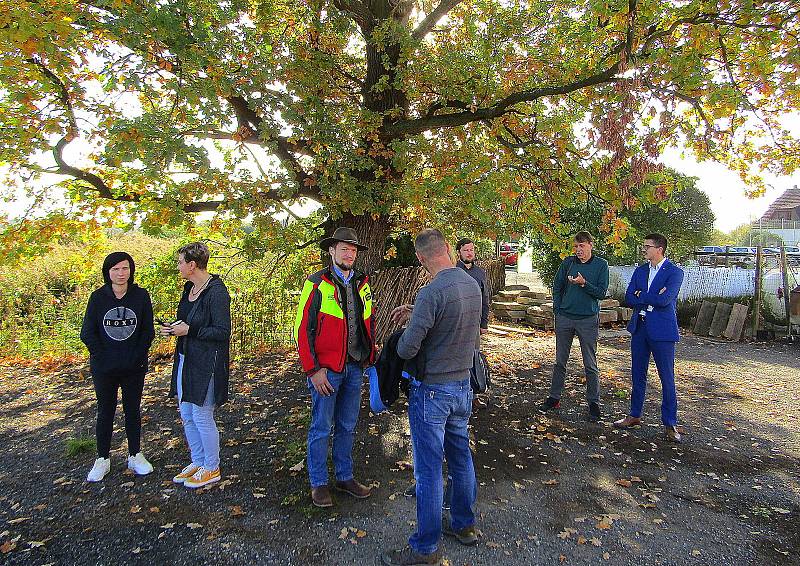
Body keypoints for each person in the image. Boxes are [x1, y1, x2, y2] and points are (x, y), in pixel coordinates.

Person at [383, 229, 481, 566]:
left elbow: (410, 346)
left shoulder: (430, 292)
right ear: (450, 250)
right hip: (462, 387)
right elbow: (457, 324)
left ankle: (425, 548)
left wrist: (398, 338)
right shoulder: (471, 284)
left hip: (433, 392)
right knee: (461, 458)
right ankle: (465, 526)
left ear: (422, 259)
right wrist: (418, 312)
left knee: (427, 470)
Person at [294, 227, 377, 508]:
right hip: (326, 371)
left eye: (353, 250)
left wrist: (370, 356)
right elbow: (302, 330)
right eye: (344, 249)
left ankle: (344, 476)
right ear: (331, 251)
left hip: (355, 367)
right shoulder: (316, 284)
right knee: (320, 427)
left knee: (347, 426)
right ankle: (318, 483)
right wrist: (313, 370)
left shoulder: (363, 283)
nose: (349, 254)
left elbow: (368, 322)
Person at [80, 251, 155, 482]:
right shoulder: (98, 298)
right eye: (115, 269)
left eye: (125, 268)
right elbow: (87, 333)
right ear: (108, 272)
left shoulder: (141, 296)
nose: (121, 273)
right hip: (104, 367)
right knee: (106, 410)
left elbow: (147, 331)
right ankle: (102, 459)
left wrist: (137, 356)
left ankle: (135, 454)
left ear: (131, 270)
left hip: (133, 365)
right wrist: (103, 358)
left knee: (132, 409)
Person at [162, 242, 231, 488]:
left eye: (181, 262)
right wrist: (173, 328)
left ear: (192, 265)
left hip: (206, 363)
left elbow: (223, 331)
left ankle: (212, 467)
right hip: (185, 358)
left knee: (202, 415)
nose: (178, 266)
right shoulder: (188, 289)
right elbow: (186, 320)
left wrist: (189, 330)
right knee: (187, 414)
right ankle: (198, 461)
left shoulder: (216, 292)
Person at [613, 233, 685, 442]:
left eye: (647, 246)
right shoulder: (641, 270)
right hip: (640, 328)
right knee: (637, 374)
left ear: (659, 249)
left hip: (662, 332)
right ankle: (634, 415)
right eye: (644, 246)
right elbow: (628, 296)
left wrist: (641, 296)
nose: (644, 249)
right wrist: (648, 299)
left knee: (667, 377)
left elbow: (665, 300)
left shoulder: (674, 273)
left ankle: (670, 423)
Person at [541, 231, 609, 422]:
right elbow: (557, 286)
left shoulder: (601, 265)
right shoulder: (568, 263)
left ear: (590, 245)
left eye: (582, 246)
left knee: (590, 363)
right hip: (565, 318)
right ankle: (554, 398)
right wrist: (558, 308)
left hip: (587, 320)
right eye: (576, 246)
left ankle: (593, 403)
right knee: (560, 361)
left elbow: (601, 293)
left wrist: (583, 283)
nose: (579, 250)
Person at [455, 238, 489, 336]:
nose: (469, 253)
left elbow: (484, 299)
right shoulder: (453, 270)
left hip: (475, 323)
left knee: (475, 350)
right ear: (458, 252)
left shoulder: (480, 273)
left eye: (471, 250)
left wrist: (484, 324)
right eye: (466, 250)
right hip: (456, 323)